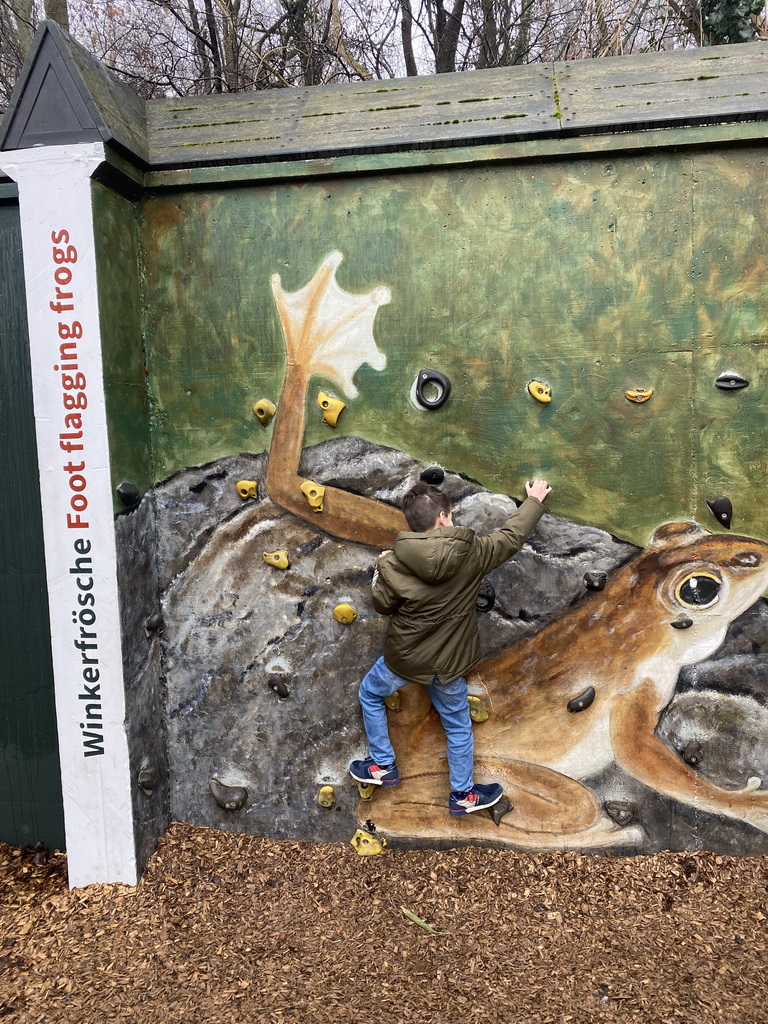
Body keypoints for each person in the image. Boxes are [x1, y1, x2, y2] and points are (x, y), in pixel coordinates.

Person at [349, 477, 552, 816]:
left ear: (414, 523)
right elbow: (511, 537)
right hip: (448, 665)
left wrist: (380, 572)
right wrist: (533, 501)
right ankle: (462, 794)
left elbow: (382, 605)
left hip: (404, 659)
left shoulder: (393, 562)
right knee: (457, 725)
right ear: (443, 517)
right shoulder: (472, 553)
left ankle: (382, 764)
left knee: (371, 694)